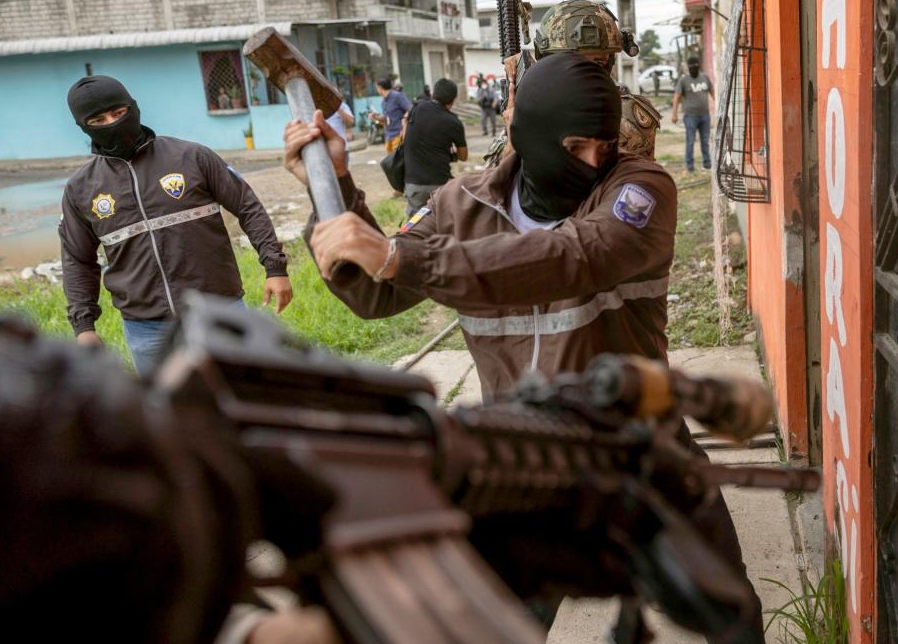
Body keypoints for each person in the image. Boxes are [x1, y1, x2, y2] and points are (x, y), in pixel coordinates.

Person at [283, 54, 763, 639]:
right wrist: (331, 189)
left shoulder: (637, 188)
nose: (593, 161)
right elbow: (372, 295)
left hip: (643, 457)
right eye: (577, 146)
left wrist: (406, 258)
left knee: (727, 616)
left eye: (604, 145)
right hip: (523, 467)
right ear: (529, 136)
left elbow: (576, 256)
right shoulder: (459, 206)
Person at [59, 75, 292, 373]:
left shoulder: (192, 157)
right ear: (83, 127)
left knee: (245, 398)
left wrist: (274, 267)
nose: (113, 123)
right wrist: (84, 327)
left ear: (133, 108)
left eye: (119, 113)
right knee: (168, 413)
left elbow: (247, 207)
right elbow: (78, 259)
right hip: (146, 329)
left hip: (219, 311)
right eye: (99, 120)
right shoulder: (81, 188)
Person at [499, 0, 660, 161]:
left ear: (608, 64)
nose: (585, 73)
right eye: (573, 63)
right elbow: (498, 179)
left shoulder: (626, 116)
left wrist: (518, 134)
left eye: (597, 63)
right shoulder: (533, 106)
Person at [401, 78, 468, 216]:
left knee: (415, 229)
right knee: (443, 225)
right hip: (440, 186)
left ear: (433, 94)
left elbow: (404, 135)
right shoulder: (454, 122)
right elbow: (463, 156)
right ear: (453, 99)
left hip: (415, 185)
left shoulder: (417, 107)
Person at [671, 56, 715, 172]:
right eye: (692, 67)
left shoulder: (705, 77)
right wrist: (674, 114)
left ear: (698, 66)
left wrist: (718, 105)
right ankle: (690, 166)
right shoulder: (684, 80)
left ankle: (707, 163)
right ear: (689, 68)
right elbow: (676, 97)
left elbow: (712, 91)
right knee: (690, 141)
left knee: (705, 141)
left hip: (705, 115)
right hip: (690, 116)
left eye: (696, 66)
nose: (694, 68)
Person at [372, 78, 411, 152]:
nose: (377, 90)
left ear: (380, 88)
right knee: (389, 161)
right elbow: (386, 118)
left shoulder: (397, 96)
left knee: (397, 161)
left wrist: (404, 123)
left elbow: (410, 109)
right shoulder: (383, 102)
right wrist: (375, 117)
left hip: (399, 134)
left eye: (377, 88)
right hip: (388, 136)